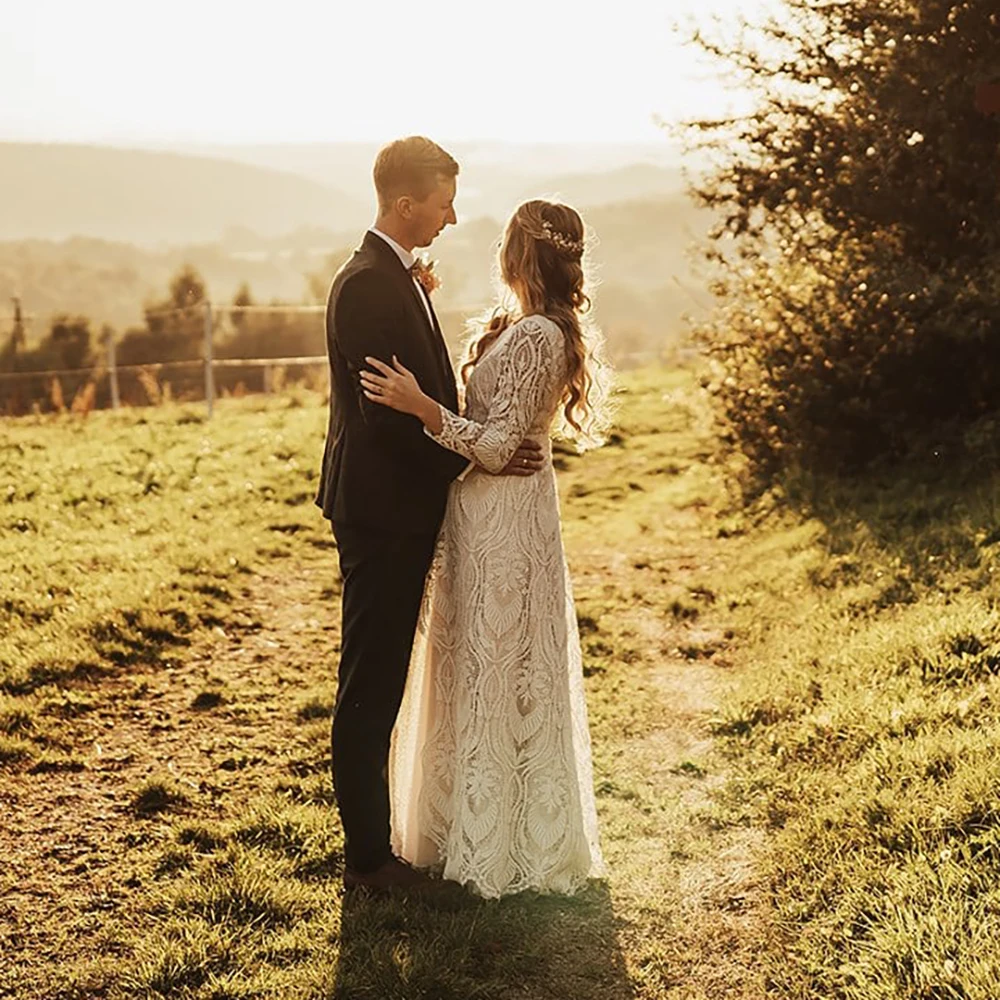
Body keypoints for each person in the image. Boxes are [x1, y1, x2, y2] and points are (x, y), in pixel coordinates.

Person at [314, 136, 546, 894]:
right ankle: (368, 863)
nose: (452, 218)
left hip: (394, 508)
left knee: (380, 676)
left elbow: (415, 389)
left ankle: (376, 852)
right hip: (381, 513)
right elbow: (389, 420)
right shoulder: (369, 287)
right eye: (443, 203)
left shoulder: (397, 279)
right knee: (371, 681)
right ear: (404, 203)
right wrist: (479, 454)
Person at [360, 198, 610, 898]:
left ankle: (503, 841)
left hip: (506, 522)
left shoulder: (539, 334)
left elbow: (499, 447)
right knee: (472, 666)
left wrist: (420, 407)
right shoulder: (515, 326)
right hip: (477, 515)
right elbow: (496, 428)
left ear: (520, 252)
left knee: (500, 667)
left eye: (504, 238)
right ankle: (460, 828)